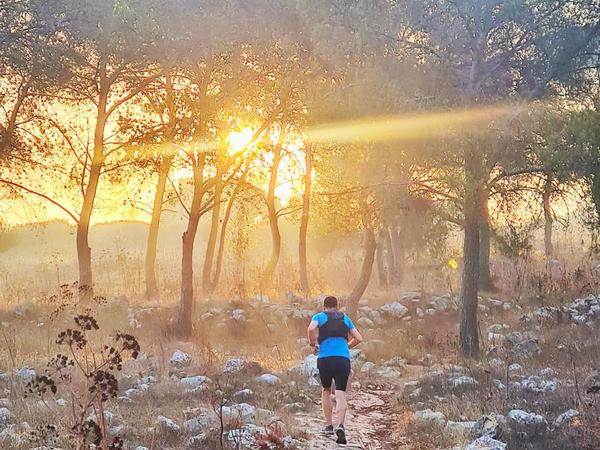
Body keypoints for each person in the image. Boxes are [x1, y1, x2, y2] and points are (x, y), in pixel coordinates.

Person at [307, 295, 364, 445]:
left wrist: (313, 344)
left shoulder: (319, 316)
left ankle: (328, 425)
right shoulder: (345, 318)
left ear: (324, 306)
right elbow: (359, 338)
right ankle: (341, 426)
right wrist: (347, 347)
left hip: (325, 359)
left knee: (326, 390)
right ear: (337, 306)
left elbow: (311, 328)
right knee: (340, 393)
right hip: (342, 360)